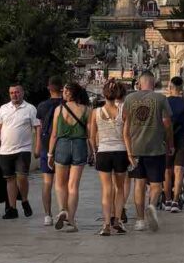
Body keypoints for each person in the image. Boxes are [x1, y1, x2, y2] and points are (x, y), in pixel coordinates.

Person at [122, 70, 173, 232]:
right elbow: (167, 124)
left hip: (135, 148)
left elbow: (124, 122)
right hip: (156, 147)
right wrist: (170, 143)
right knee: (157, 184)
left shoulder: (129, 99)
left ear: (139, 82)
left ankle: (140, 220)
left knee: (139, 183)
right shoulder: (161, 99)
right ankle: (151, 205)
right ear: (154, 82)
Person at [0, 84, 40, 219]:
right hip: (5, 150)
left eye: (17, 92)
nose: (14, 95)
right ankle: (12, 209)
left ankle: (25, 200)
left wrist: (38, 147)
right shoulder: (4, 109)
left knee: (21, 177)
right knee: (10, 179)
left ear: (22, 93)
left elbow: (38, 128)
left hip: (23, 149)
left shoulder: (30, 108)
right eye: (11, 93)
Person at [48, 81, 91, 233]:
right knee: (73, 186)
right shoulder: (86, 110)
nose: (64, 93)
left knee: (60, 183)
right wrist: (93, 151)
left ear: (70, 93)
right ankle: (71, 220)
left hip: (62, 146)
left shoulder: (59, 109)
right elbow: (90, 134)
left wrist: (50, 154)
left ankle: (62, 209)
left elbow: (54, 134)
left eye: (66, 91)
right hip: (79, 146)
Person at [89, 78, 128, 236]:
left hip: (103, 152)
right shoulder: (123, 111)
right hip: (120, 151)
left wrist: (94, 151)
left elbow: (91, 137)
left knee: (106, 189)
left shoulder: (95, 113)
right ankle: (117, 220)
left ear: (104, 94)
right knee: (119, 189)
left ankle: (106, 224)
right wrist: (131, 154)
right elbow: (127, 136)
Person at [35, 76, 65, 225]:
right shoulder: (67, 104)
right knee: (63, 183)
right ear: (62, 88)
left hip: (46, 146)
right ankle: (63, 210)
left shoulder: (41, 106)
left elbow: (40, 128)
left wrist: (38, 146)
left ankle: (47, 215)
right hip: (63, 145)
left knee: (47, 182)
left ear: (49, 88)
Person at [164, 76, 184, 212]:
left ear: (170, 88)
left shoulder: (164, 102)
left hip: (166, 140)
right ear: (181, 89)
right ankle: (176, 201)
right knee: (179, 170)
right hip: (182, 139)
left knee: (167, 170)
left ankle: (167, 199)